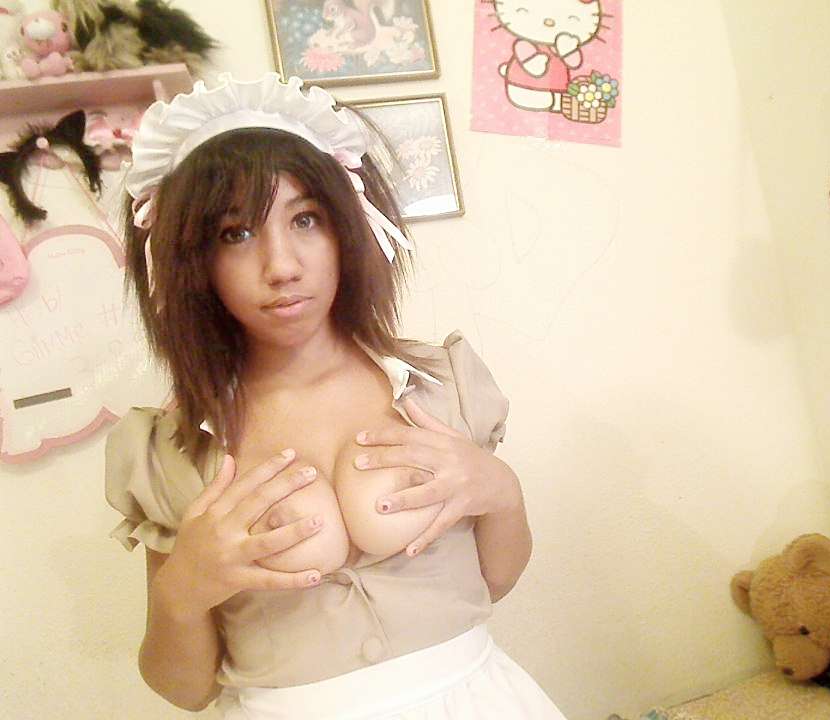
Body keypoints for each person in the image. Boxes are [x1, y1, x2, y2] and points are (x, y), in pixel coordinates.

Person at [104, 73, 567, 720]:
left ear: (348, 227)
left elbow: (497, 580)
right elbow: (185, 689)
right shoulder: (172, 450)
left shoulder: (440, 386)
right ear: (192, 261)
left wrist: (502, 490)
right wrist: (181, 588)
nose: (282, 265)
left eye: (306, 220)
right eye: (235, 233)